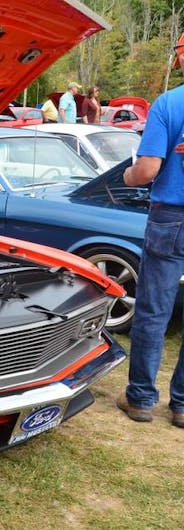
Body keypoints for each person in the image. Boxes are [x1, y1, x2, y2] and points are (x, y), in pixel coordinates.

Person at [118, 33, 184, 429]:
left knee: (154, 311)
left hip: (170, 217)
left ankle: (141, 399)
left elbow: (146, 172)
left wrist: (128, 174)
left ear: (180, 59)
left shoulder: (170, 104)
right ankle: (182, 405)